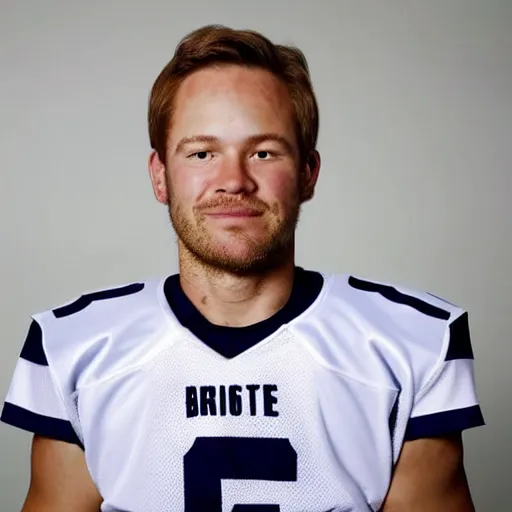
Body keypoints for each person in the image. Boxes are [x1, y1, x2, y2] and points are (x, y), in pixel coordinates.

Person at [1, 24, 484, 512]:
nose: (233, 180)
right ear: (159, 175)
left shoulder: (412, 343)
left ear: (309, 173)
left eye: (263, 152)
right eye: (202, 153)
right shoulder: (75, 348)